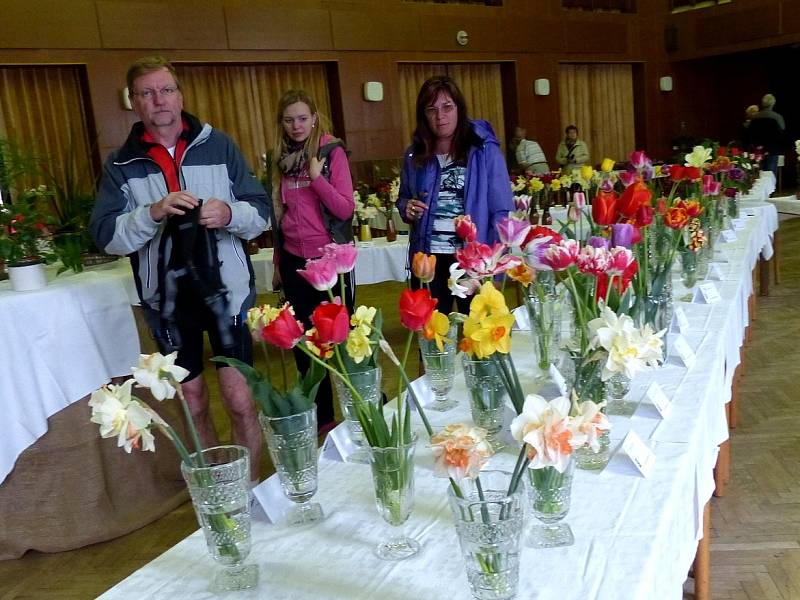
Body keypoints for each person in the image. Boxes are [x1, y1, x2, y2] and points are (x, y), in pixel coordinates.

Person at [90, 56, 268, 482]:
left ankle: (251, 487)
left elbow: (261, 213)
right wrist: (150, 213)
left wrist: (229, 213)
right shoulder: (121, 165)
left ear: (180, 95)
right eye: (147, 93)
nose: (159, 100)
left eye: (166, 90)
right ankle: (218, 493)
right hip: (168, 304)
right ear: (134, 102)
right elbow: (105, 235)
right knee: (192, 401)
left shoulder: (219, 145)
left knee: (241, 400)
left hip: (225, 293)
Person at [269, 89, 355, 433]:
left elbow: (345, 208)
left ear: (315, 118)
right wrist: (278, 263)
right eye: (289, 120)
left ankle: (363, 409)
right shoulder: (279, 160)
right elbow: (279, 215)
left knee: (342, 342)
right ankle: (323, 419)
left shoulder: (331, 153)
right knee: (304, 344)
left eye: (303, 118)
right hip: (294, 261)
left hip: (331, 261)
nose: (296, 126)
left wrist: (317, 179)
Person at [398, 75, 513, 314]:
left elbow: (501, 210)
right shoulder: (415, 154)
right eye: (432, 109)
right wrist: (406, 207)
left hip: (473, 258)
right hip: (428, 259)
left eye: (447, 107)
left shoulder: (484, 151)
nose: (440, 116)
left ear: (459, 109)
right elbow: (403, 198)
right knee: (431, 335)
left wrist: (495, 260)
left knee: (477, 334)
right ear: (424, 115)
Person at [746, 93, 785, 178]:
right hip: (773, 150)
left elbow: (749, 134)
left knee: (758, 177)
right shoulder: (777, 118)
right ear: (773, 103)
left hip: (757, 151)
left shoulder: (754, 118)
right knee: (770, 177)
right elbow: (782, 135)